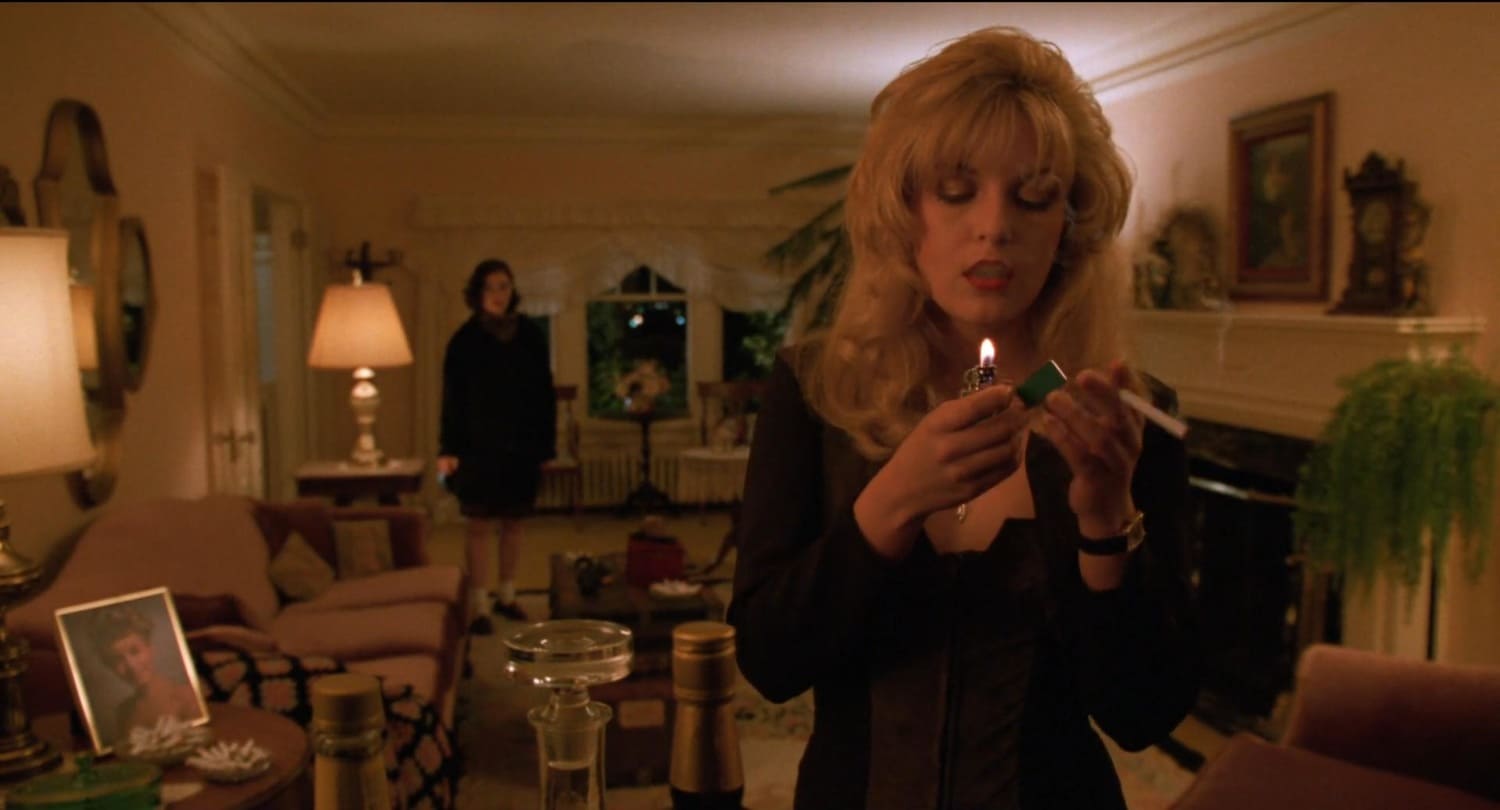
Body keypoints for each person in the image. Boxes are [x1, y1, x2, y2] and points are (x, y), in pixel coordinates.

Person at [728, 27, 1200, 810]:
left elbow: (1142, 715)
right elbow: (770, 663)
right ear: (903, 210)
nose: (994, 226)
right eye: (956, 189)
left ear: (1068, 223)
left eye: (1033, 195)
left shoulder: (1117, 418)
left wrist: (1104, 522)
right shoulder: (815, 390)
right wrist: (894, 500)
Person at [438, 259, 557, 635]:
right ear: (477, 293)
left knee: (514, 524)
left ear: (512, 290)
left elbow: (544, 395)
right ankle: (479, 604)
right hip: (478, 447)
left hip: (521, 445)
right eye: (490, 287)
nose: (498, 294)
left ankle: (507, 593)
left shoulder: (531, 335)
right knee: (478, 526)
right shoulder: (464, 340)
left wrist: (545, 446)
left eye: (504, 286)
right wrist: (448, 449)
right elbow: (452, 400)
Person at [86, 602, 202, 747]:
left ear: (149, 648)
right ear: (108, 666)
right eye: (117, 660)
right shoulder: (124, 713)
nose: (131, 666)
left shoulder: (187, 697)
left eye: (135, 651)